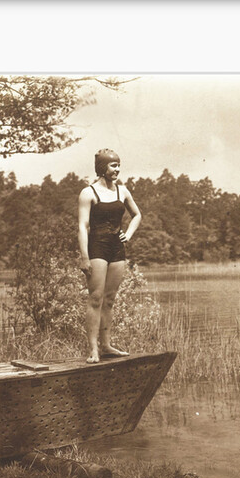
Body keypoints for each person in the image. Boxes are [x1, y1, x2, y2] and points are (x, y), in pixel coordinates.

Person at [77, 148, 142, 363]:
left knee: (110, 299)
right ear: (102, 167)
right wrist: (84, 256)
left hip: (117, 248)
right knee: (96, 298)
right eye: (113, 165)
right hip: (97, 247)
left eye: (119, 165)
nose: (117, 169)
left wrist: (128, 235)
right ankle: (93, 349)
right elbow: (83, 226)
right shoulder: (88, 193)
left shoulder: (122, 191)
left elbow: (137, 215)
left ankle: (106, 346)